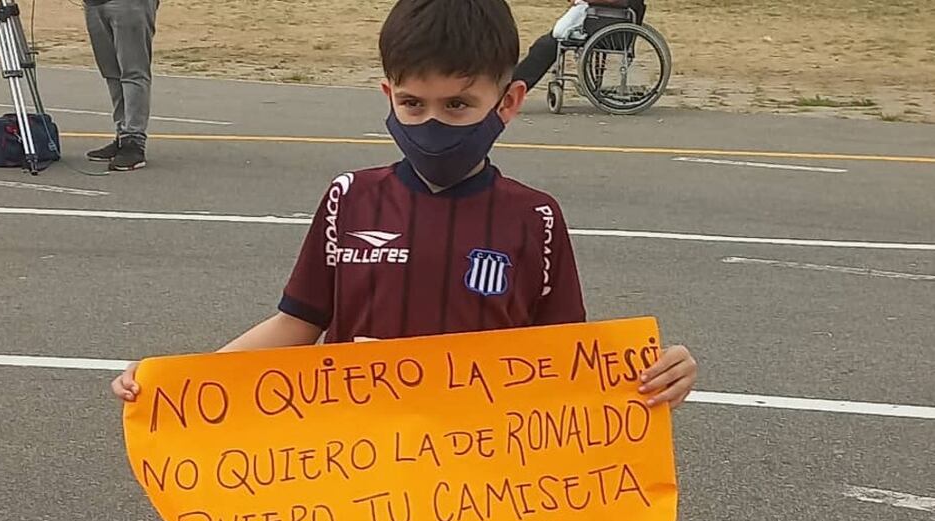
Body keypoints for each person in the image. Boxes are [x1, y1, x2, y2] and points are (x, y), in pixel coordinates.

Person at [112, 0, 696, 408]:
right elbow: (298, 322)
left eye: (459, 105)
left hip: (482, 482)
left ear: (509, 101)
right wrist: (182, 382)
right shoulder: (351, 199)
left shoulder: (534, 219)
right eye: (414, 104)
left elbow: (566, 366)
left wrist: (654, 378)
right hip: (358, 471)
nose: (433, 124)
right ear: (390, 96)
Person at [83, 0, 159, 171]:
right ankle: (123, 133)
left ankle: (134, 141)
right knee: (111, 71)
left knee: (133, 71)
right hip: (95, 4)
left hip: (129, 4)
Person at [513, 0, 647, 92]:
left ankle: (515, 86)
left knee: (546, 46)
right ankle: (515, 84)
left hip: (605, 24)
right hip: (602, 21)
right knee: (544, 45)